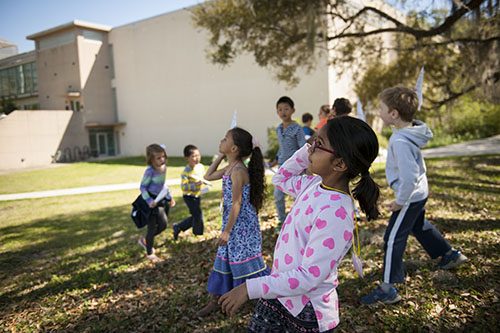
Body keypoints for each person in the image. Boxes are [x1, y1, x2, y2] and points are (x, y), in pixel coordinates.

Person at [218, 117, 381, 332]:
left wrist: (251, 288)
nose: (311, 148)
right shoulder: (313, 184)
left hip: (307, 309)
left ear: (340, 164)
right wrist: (308, 150)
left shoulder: (336, 212)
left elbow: (308, 277)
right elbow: (281, 179)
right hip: (280, 289)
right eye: (312, 142)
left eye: (318, 144)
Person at [360, 86, 467, 305]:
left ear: (393, 114)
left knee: (392, 238)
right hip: (419, 193)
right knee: (419, 226)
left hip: (409, 196)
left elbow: (409, 176)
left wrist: (400, 201)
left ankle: (388, 288)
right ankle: (449, 255)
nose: (378, 112)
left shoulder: (399, 141)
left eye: (381, 109)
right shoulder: (409, 132)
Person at [197, 127, 270, 317]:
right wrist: (221, 156)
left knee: (244, 260)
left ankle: (258, 298)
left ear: (234, 148)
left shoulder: (238, 171)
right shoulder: (230, 167)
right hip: (231, 223)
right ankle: (218, 299)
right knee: (225, 259)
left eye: (225, 139)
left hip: (242, 227)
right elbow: (207, 176)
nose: (221, 140)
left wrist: (227, 232)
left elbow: (237, 203)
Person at [271, 96, 306, 226]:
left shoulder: (297, 128)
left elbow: (303, 147)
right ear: (277, 112)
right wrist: (274, 161)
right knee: (278, 194)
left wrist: (306, 166)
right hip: (282, 166)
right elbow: (281, 148)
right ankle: (282, 221)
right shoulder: (278, 129)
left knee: (298, 195)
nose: (283, 112)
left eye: (286, 109)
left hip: (296, 167)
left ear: (293, 110)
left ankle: (300, 220)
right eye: (280, 109)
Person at [138, 144, 176, 262]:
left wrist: (169, 197)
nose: (162, 160)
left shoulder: (164, 167)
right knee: (151, 227)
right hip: (150, 201)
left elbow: (162, 185)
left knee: (163, 225)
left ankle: (145, 240)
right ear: (151, 159)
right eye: (158, 158)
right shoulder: (149, 171)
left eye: (163, 157)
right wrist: (149, 201)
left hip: (161, 199)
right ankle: (150, 253)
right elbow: (142, 187)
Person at [173, 145, 207, 240]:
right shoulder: (186, 172)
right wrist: (195, 184)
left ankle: (178, 227)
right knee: (198, 215)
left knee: (195, 215)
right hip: (189, 197)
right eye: (193, 156)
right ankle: (198, 234)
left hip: (197, 195)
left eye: (198, 155)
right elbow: (183, 186)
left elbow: (203, 177)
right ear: (187, 158)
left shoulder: (200, 167)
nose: (197, 158)